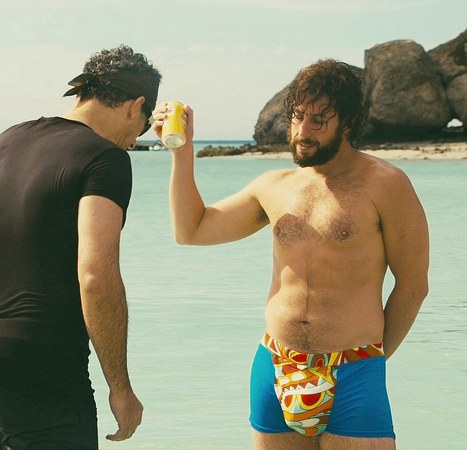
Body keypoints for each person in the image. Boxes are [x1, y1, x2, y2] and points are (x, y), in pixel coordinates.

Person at [153, 59, 429, 449]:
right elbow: (192, 230)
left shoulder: (386, 184)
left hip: (352, 370)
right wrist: (182, 153)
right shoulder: (274, 186)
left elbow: (413, 286)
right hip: (275, 364)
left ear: (347, 123)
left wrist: (374, 360)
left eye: (319, 121)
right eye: (298, 117)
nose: (303, 132)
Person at [0, 45, 161, 450]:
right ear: (135, 106)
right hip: (42, 369)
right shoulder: (105, 158)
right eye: (142, 128)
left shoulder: (11, 139)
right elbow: (96, 277)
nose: (132, 143)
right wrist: (120, 388)